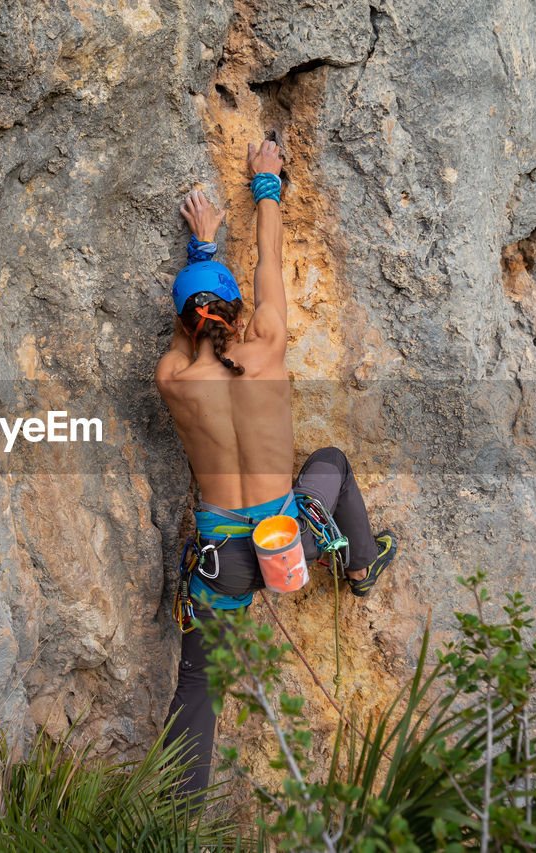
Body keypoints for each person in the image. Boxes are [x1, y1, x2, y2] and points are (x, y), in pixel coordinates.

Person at [155, 138, 398, 797]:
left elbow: (192, 327)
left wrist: (199, 252)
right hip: (289, 542)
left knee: (198, 688)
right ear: (236, 309)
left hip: (223, 563)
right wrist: (267, 181)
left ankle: (176, 819)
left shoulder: (173, 376)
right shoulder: (266, 345)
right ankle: (359, 565)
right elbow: (269, 262)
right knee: (332, 464)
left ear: (181, 320)